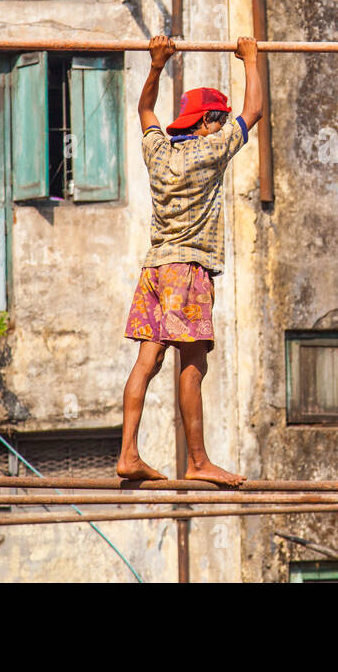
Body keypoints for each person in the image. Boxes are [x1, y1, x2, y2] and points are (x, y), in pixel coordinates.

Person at [116, 34, 262, 485]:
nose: (221, 128)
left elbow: (145, 110)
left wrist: (156, 65)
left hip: (155, 268)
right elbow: (253, 111)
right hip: (188, 269)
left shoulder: (158, 150)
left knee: (147, 361)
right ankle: (198, 460)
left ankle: (128, 453)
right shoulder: (210, 150)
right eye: (217, 122)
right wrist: (250, 60)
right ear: (207, 123)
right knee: (192, 364)